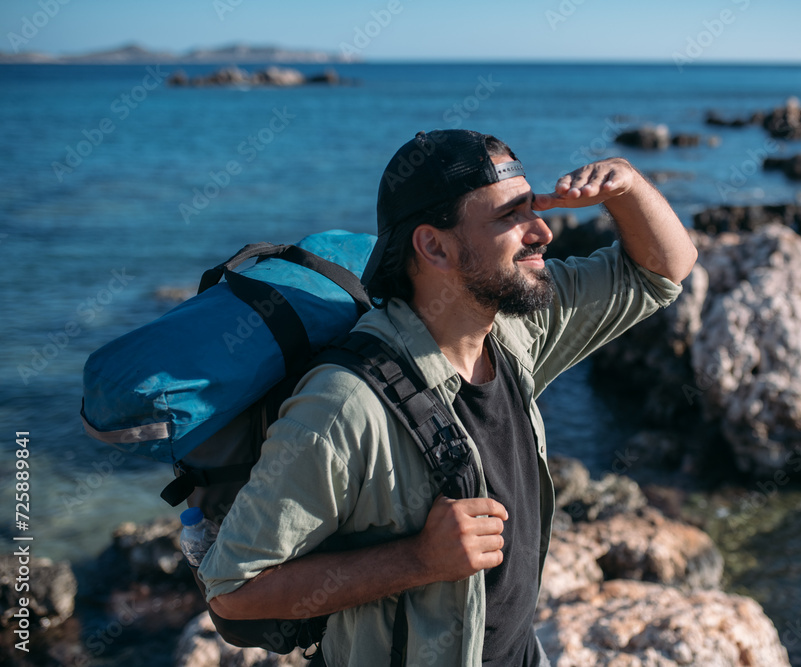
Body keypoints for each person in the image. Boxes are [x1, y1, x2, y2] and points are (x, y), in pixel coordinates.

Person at [198, 129, 697, 666]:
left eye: (533, 210)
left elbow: (662, 271)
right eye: (512, 216)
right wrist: (417, 561)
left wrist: (627, 185)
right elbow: (232, 593)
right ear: (434, 245)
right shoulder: (344, 406)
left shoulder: (511, 332)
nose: (544, 232)